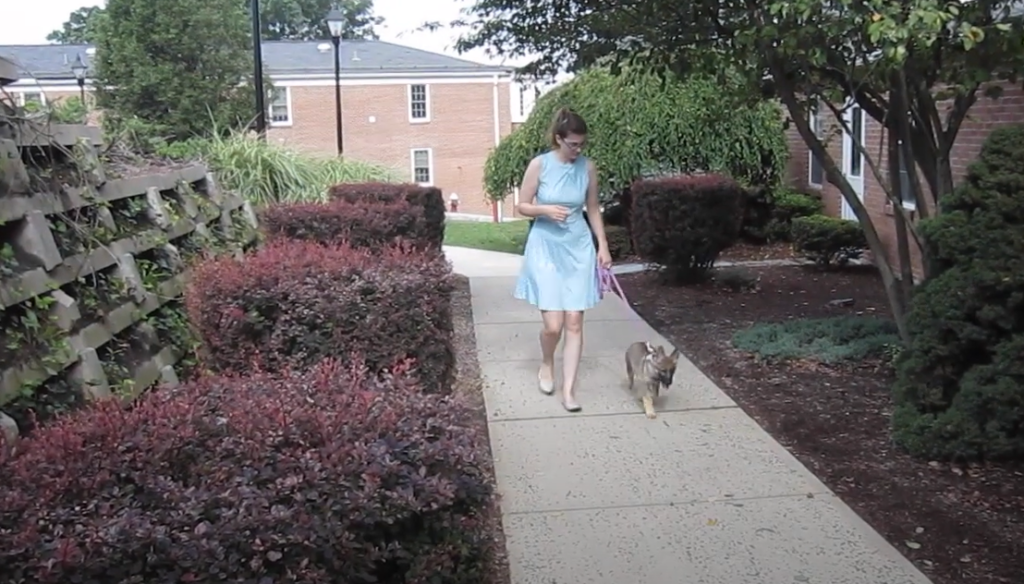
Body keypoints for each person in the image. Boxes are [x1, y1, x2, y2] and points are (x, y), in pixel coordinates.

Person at [513, 107, 612, 412]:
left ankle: (569, 391)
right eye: (572, 144)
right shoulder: (539, 164)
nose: (577, 150)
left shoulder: (587, 167)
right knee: (553, 326)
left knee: (574, 321)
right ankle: (546, 363)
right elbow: (522, 206)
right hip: (545, 246)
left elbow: (593, 208)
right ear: (558, 139)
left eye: (581, 144)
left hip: (578, 246)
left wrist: (603, 246)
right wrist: (545, 210)